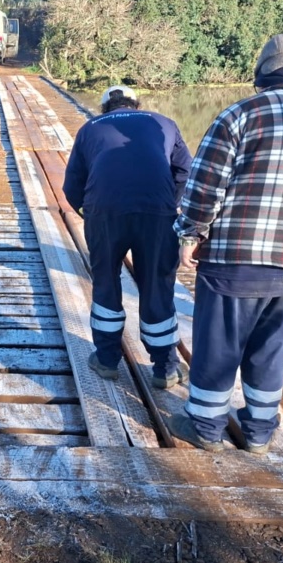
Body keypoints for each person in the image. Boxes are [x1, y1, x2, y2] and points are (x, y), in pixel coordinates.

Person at [170, 32, 283, 455]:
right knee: (271, 352)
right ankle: (259, 433)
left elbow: (204, 188)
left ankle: (206, 428)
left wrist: (191, 234)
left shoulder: (239, 116)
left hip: (233, 261)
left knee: (219, 346)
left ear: (263, 70)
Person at [62, 86, 193, 389]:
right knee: (157, 285)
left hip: (105, 213)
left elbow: (72, 186)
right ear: (137, 104)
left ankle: (107, 360)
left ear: (105, 108)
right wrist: (168, 205)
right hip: (157, 214)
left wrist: (89, 213)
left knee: (106, 282)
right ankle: (165, 368)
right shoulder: (164, 122)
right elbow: (186, 171)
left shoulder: (90, 128)